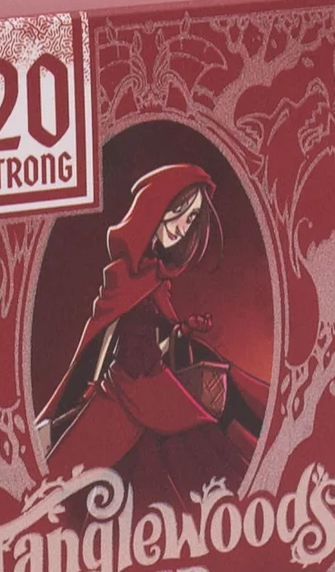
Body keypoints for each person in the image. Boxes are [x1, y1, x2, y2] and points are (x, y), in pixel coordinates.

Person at [37, 163, 270, 504]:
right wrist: (89, 383)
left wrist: (185, 329)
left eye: (192, 218)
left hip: (153, 377)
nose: (182, 226)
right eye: (178, 212)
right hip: (124, 381)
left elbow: (165, 331)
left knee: (197, 432)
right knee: (74, 460)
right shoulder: (122, 276)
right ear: (153, 211)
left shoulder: (156, 279)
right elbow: (102, 335)